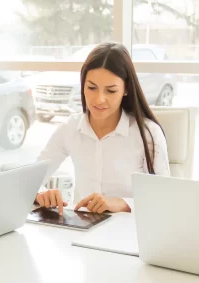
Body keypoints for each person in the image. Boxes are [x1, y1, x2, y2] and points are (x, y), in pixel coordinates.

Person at [34, 42, 169, 213]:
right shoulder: (70, 128)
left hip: (129, 232)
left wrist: (122, 204)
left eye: (111, 91)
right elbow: (30, 181)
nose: (99, 99)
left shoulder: (148, 134)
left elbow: (165, 197)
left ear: (126, 89)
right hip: (84, 228)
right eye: (91, 88)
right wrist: (41, 193)